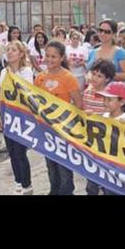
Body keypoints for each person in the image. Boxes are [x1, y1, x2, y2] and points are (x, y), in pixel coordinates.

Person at [33, 41, 83, 195]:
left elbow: (79, 105)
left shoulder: (69, 78)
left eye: (53, 56)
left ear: (62, 58)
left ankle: (67, 192)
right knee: (50, 164)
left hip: (64, 129)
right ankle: (53, 190)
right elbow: (35, 101)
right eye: (47, 56)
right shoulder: (40, 77)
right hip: (46, 129)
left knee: (63, 165)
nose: (49, 59)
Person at [0, 41, 35, 194]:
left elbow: (26, 93)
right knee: (11, 151)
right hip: (7, 115)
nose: (9, 52)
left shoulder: (26, 72)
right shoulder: (4, 72)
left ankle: (27, 184)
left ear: (21, 54)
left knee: (19, 152)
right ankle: (18, 181)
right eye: (8, 50)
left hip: (21, 117)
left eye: (14, 50)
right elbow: (1, 96)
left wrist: (13, 74)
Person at [82, 58, 116, 195]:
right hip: (90, 140)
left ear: (107, 79)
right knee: (91, 180)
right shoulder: (87, 91)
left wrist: (95, 115)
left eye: (99, 76)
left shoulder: (110, 95)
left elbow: (113, 117)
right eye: (94, 74)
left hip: (105, 142)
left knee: (107, 178)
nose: (95, 78)